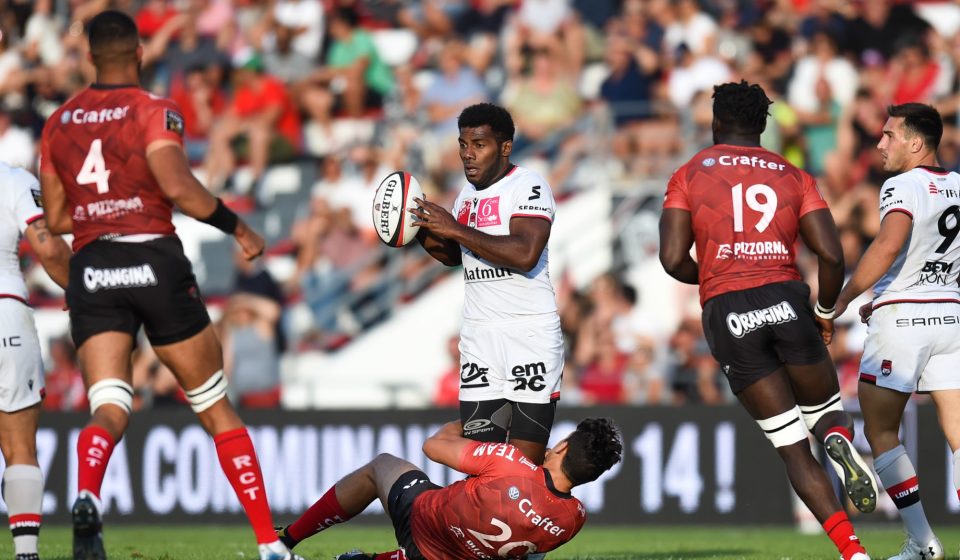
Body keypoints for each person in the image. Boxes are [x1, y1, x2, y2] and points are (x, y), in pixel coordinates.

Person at [37, 11, 301, 560]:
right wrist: (240, 227)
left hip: (93, 265)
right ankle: (268, 545)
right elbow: (180, 187)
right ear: (139, 51)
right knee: (214, 406)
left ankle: (86, 493)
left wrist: (99, 207)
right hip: (151, 258)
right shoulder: (152, 109)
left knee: (109, 404)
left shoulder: (58, 122)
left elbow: (58, 216)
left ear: (88, 56)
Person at [659, 81, 876, 560]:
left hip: (728, 308)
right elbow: (833, 255)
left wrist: (717, 275)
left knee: (792, 447)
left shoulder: (689, 174)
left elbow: (673, 259)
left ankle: (853, 552)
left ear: (717, 122)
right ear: (762, 125)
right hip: (786, 297)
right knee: (825, 413)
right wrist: (823, 313)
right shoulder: (793, 174)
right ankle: (838, 438)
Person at [832, 103, 960, 560]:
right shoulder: (959, 186)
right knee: (959, 436)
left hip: (903, 321)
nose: (880, 144)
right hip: (950, 317)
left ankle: (922, 540)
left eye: (889, 136)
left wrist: (843, 300)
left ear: (916, 143)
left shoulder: (901, 185)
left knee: (882, 431)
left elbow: (888, 244)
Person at [410, 103, 563, 466]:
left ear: (505, 147)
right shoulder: (466, 196)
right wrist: (414, 230)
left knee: (521, 468)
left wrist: (455, 228)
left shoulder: (529, 185)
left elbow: (525, 252)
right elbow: (454, 254)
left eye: (479, 144)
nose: (467, 154)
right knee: (480, 466)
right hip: (480, 339)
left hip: (529, 334)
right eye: (463, 144)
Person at [277, 417, 622, 560]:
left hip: (423, 520)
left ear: (561, 447)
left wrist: (476, 419)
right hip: (459, 554)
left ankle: (287, 539)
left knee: (381, 466)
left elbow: (432, 446)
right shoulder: (573, 519)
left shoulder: (509, 463)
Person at [0, 162, 71, 560]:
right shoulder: (12, 179)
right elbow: (47, 246)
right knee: (19, 446)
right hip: (5, 311)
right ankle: (26, 555)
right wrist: (79, 290)